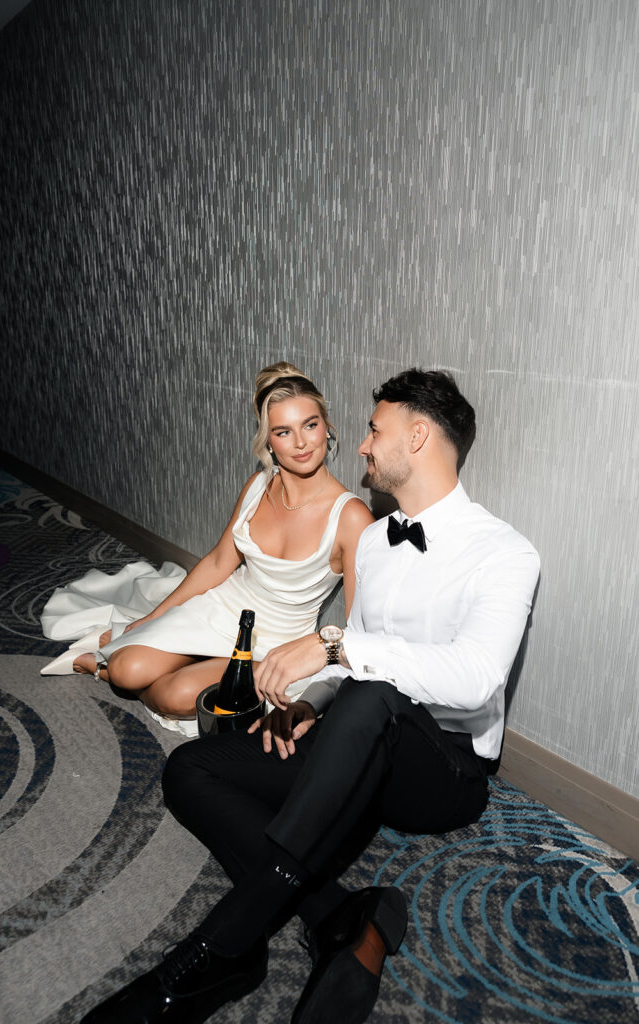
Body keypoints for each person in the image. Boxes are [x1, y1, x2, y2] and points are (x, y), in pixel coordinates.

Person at [81, 368, 540, 1024]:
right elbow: (354, 660)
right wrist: (310, 702)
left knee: (373, 697)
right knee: (192, 768)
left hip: (442, 772)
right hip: (357, 739)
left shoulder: (505, 552)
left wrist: (331, 649)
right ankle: (341, 914)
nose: (362, 445)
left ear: (416, 437)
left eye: (375, 430)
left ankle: (223, 949)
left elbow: (475, 680)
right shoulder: (376, 541)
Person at [42, 362, 373, 733]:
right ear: (268, 441)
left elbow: (357, 627)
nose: (300, 442)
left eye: (310, 425)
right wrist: (151, 618)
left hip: (276, 643)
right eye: (283, 431)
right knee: (125, 669)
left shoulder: (351, 517)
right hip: (222, 608)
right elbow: (218, 562)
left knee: (175, 695)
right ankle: (146, 666)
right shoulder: (258, 486)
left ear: (327, 427)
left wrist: (314, 680)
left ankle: (181, 671)